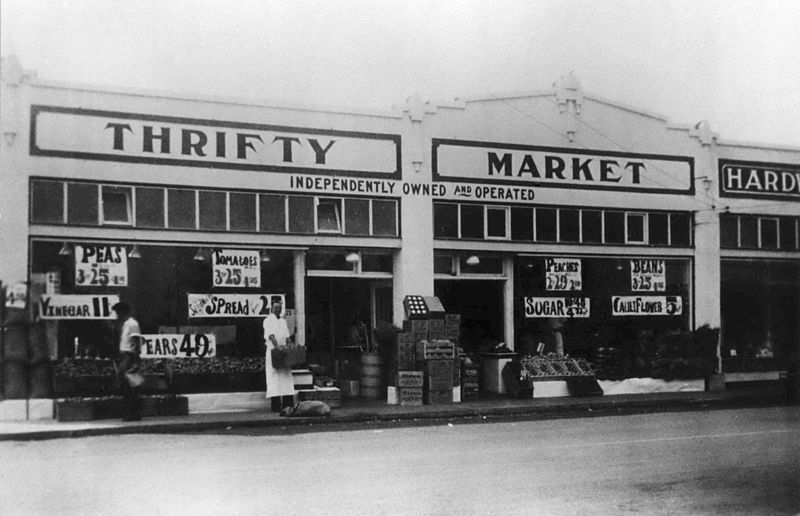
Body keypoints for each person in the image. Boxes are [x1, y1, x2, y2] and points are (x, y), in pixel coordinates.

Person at [112, 301, 143, 421]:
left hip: (130, 357)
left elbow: (136, 341)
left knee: (129, 386)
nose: (117, 315)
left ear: (123, 312)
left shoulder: (132, 324)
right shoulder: (126, 324)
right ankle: (132, 412)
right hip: (126, 356)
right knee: (128, 385)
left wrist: (135, 360)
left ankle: (133, 413)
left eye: (118, 313)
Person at [263, 300, 296, 412]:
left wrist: (290, 345)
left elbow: (287, 336)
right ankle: (276, 406)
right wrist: (277, 346)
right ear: (271, 308)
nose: (278, 309)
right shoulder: (267, 320)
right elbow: (271, 335)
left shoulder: (283, 321)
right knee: (274, 378)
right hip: (274, 352)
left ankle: (288, 404)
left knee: (286, 376)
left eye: (279, 307)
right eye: (276, 307)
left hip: (284, 352)